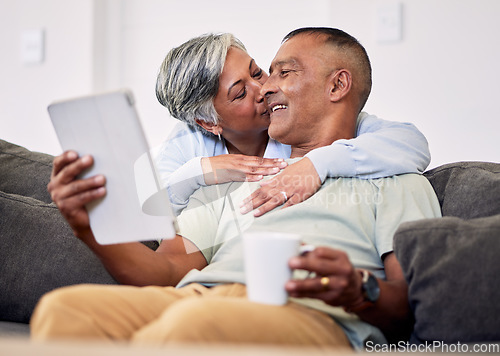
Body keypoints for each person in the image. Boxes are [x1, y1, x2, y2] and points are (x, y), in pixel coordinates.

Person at [30, 28, 441, 349]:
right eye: (255, 83)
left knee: (188, 330)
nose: (266, 88)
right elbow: (168, 269)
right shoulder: (239, 174)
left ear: (337, 86)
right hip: (199, 300)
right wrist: (89, 227)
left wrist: (357, 290)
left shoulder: (396, 176)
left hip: (310, 315)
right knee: (64, 311)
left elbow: (405, 306)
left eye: (283, 72)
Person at [153, 33, 430, 215]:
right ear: (207, 122)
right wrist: (201, 170)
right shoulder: (189, 141)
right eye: (240, 93)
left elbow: (410, 142)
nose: (263, 88)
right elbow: (153, 214)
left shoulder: (298, 120)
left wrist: (316, 164)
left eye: (256, 72)